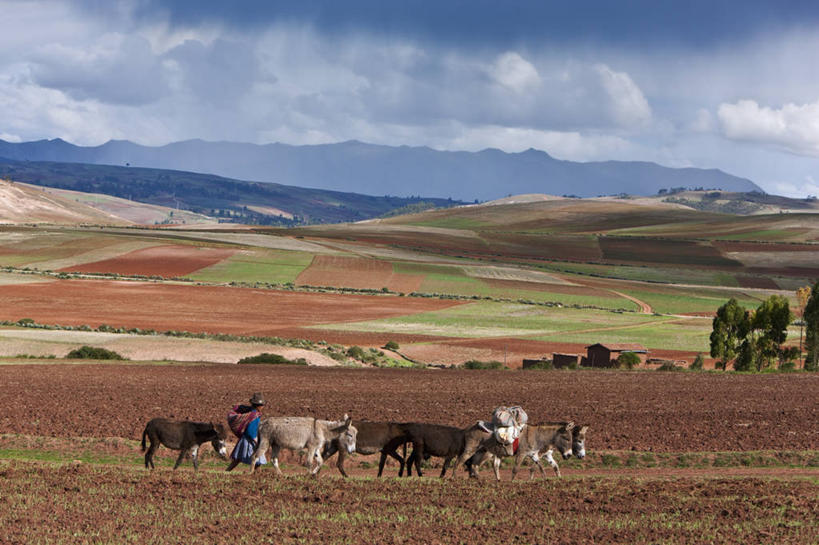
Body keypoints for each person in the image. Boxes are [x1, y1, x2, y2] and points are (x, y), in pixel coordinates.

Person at [225, 392, 267, 471]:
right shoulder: (255, 416)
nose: (263, 407)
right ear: (258, 406)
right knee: (258, 460)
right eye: (262, 405)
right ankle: (258, 475)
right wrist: (256, 441)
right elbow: (251, 431)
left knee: (237, 459)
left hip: (244, 440)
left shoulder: (250, 412)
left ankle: (227, 471)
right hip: (250, 440)